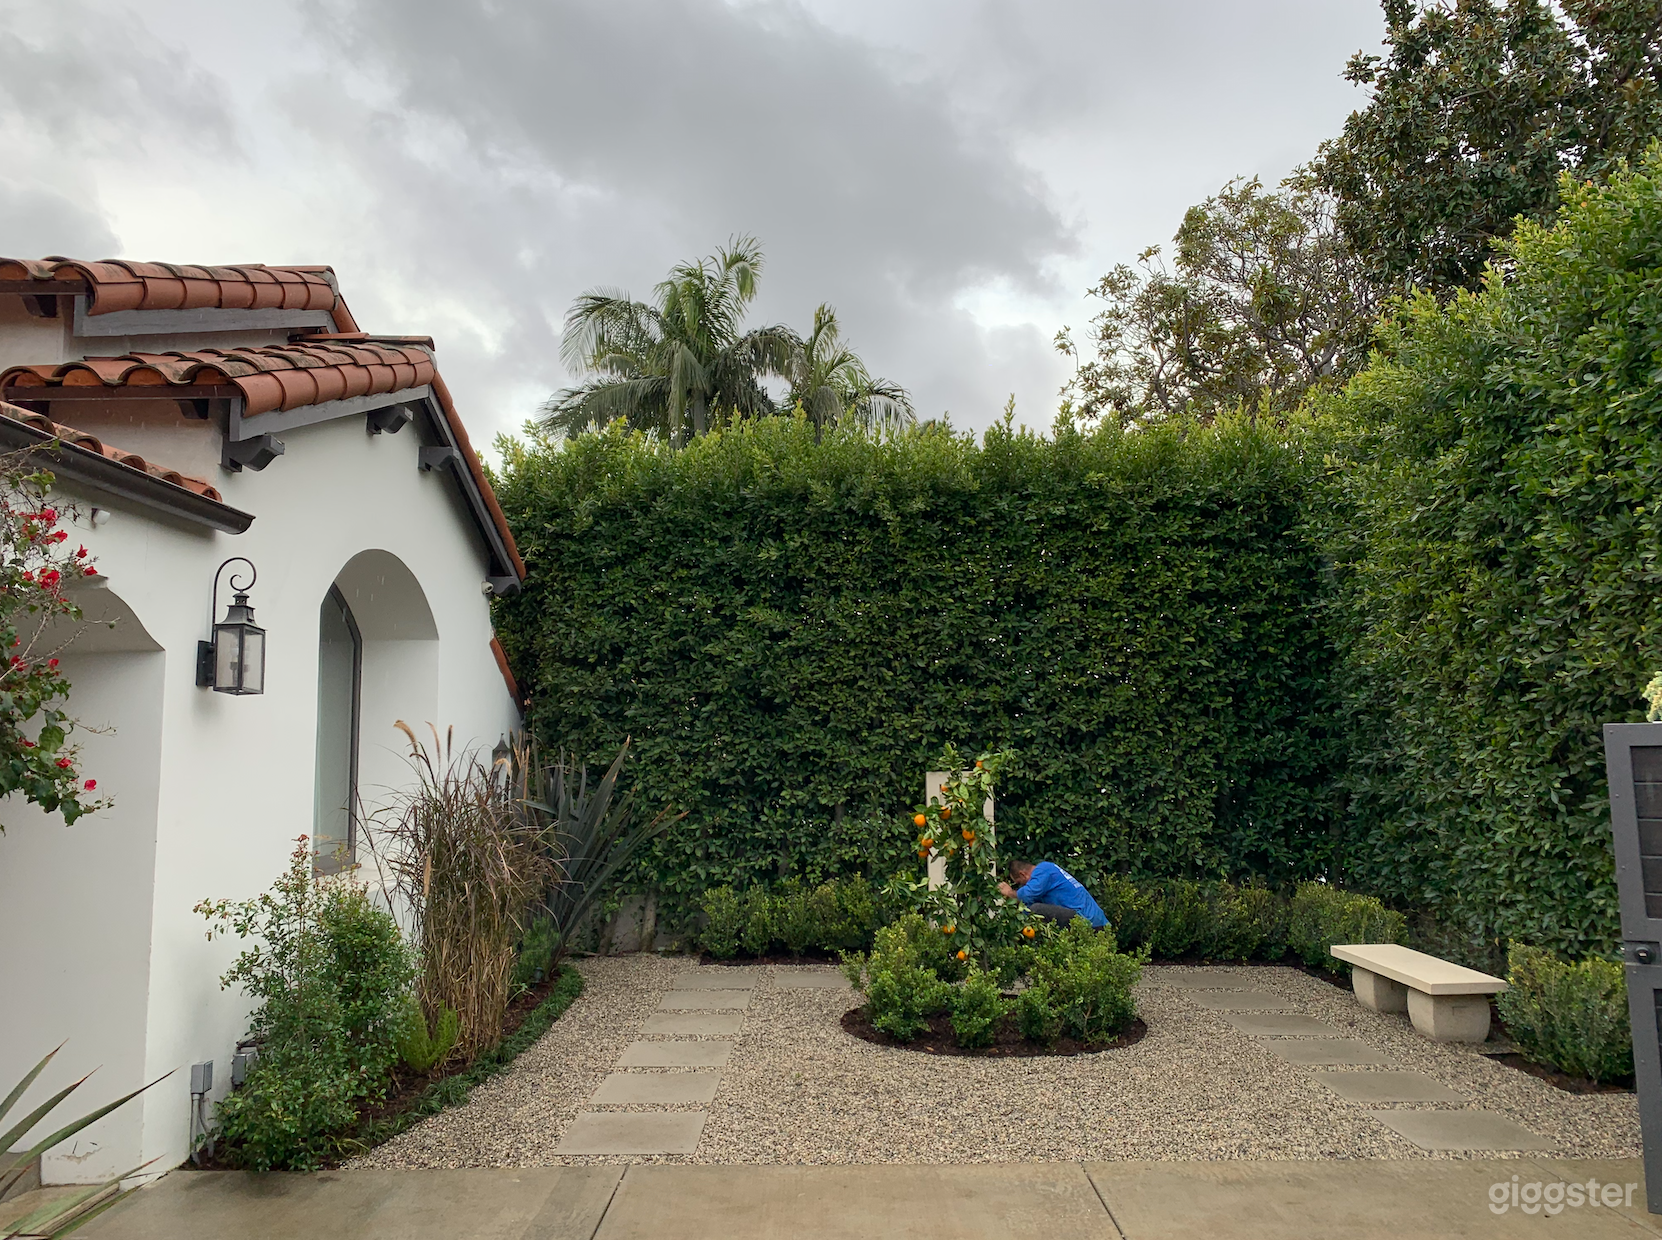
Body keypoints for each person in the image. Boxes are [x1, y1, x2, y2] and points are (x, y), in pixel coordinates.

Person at [998, 859, 1108, 928]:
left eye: (1019, 883)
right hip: (1095, 920)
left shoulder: (1043, 869)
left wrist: (1009, 892)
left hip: (1086, 919)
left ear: (1023, 874)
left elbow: (1027, 895)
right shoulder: (1048, 871)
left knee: (1036, 910)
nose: (1021, 887)